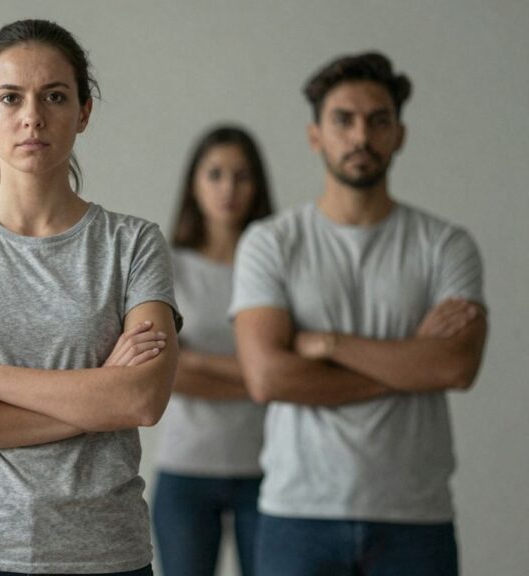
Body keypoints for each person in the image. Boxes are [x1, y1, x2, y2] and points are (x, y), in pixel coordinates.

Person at [0, 19, 181, 576]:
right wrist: (94, 401)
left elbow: (140, 401)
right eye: (10, 97)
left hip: (102, 555)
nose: (32, 116)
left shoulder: (133, 244)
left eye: (55, 96)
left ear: (84, 113)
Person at [230, 52, 488, 575]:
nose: (361, 136)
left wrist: (328, 345)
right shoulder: (271, 242)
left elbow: (455, 367)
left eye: (378, 120)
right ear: (315, 136)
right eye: (343, 120)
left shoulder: (446, 245)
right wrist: (410, 363)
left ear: (400, 135)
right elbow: (267, 377)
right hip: (298, 514)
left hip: (415, 516)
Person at [153, 125, 274, 576]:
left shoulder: (274, 264)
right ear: (194, 183)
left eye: (242, 176)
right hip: (187, 468)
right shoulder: (167, 264)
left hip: (266, 468)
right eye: (216, 174)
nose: (229, 188)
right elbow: (163, 372)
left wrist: (195, 359)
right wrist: (258, 375)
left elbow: (287, 370)